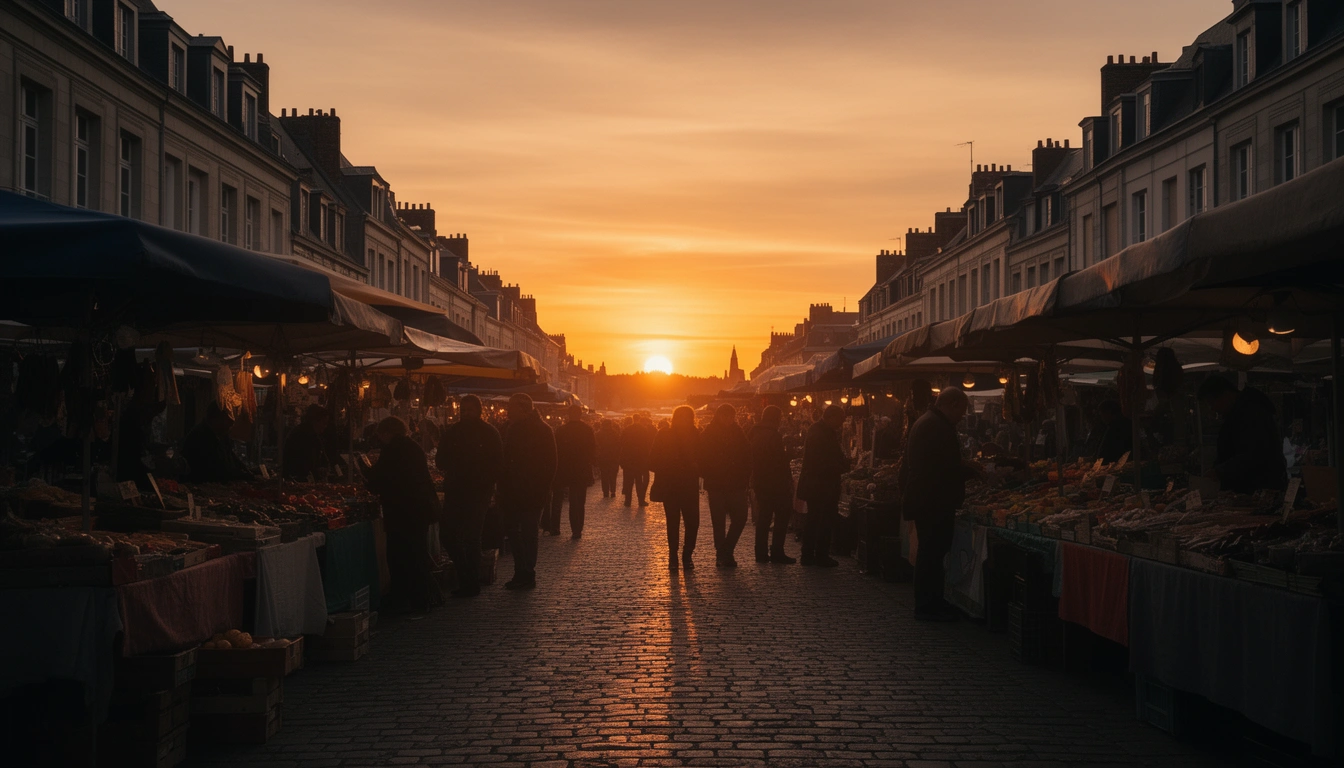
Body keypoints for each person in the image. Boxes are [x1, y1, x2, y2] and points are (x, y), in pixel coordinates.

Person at [903, 389, 979, 621]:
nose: (962, 416)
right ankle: (927, 605)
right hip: (933, 500)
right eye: (962, 410)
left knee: (932, 553)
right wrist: (971, 471)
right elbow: (944, 466)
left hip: (927, 498)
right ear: (953, 404)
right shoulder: (935, 426)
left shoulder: (928, 421)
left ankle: (932, 601)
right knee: (931, 552)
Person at [365, 417, 442, 613]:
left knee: (401, 554)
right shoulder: (413, 447)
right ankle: (423, 597)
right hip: (418, 508)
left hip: (402, 510)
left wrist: (368, 477)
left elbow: (380, 478)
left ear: (387, 433)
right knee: (416, 552)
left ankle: (411, 599)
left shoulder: (392, 450)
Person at [437, 395, 503, 598]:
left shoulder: (490, 433)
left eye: (469, 410)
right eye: (463, 410)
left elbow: (498, 463)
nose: (465, 414)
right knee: (448, 535)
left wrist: (488, 484)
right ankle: (465, 574)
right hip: (456, 491)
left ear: (479, 411)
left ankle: (471, 582)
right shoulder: (453, 432)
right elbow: (441, 460)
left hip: (478, 492)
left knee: (472, 537)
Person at [499, 393, 557, 590]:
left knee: (529, 533)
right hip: (511, 491)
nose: (507, 411)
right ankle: (520, 570)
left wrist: (542, 488)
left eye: (511, 407)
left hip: (532, 492)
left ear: (523, 409)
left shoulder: (542, 430)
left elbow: (551, 463)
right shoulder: (511, 428)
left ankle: (527, 572)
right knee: (514, 531)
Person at [1197, 375, 1288, 493]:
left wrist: (1220, 471)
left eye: (1211, 402)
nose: (1212, 408)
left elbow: (1254, 455)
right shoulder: (1237, 415)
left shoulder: (1253, 414)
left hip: (1258, 491)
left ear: (1226, 395)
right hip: (1247, 491)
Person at [698, 403, 751, 567]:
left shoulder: (738, 432)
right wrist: (710, 471)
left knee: (741, 517)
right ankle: (723, 555)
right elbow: (702, 456)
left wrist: (745, 475)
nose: (729, 419)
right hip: (716, 484)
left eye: (731, 416)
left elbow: (747, 454)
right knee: (718, 522)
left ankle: (726, 549)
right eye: (726, 416)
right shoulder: (709, 432)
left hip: (736, 483)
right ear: (719, 416)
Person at [796, 405, 850, 567]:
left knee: (817, 519)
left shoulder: (822, 431)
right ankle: (817, 555)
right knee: (820, 520)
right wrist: (839, 466)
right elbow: (821, 460)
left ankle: (814, 554)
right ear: (831, 417)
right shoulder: (820, 433)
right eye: (839, 420)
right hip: (821, 485)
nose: (840, 424)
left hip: (821, 484)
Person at [650, 405, 701, 570]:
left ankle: (683, 556)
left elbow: (653, 461)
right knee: (679, 522)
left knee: (687, 522)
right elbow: (653, 460)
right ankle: (677, 556)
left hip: (681, 485)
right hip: (677, 485)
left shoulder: (695, 435)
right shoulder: (668, 434)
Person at [749, 405, 795, 564]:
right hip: (775, 482)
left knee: (764, 518)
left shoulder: (755, 432)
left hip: (760, 481)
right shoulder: (772, 435)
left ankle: (760, 553)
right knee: (782, 515)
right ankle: (777, 551)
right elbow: (778, 461)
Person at [549, 404, 597, 539]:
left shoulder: (561, 430)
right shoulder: (587, 430)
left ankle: (556, 527)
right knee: (579, 501)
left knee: (563, 499)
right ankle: (577, 529)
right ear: (580, 414)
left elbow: (556, 450)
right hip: (581, 469)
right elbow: (593, 449)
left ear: (569, 415)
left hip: (565, 469)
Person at [182, 403, 251, 483]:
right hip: (202, 486)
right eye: (228, 418)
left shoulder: (222, 435)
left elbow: (231, 457)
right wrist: (241, 475)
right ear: (216, 418)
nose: (232, 422)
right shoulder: (200, 436)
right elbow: (216, 470)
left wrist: (246, 470)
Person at [283, 404, 332, 481]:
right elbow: (302, 461)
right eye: (323, 423)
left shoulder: (314, 435)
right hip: (297, 479)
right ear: (315, 421)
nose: (325, 426)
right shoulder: (302, 435)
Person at [619, 414, 655, 507]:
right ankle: (641, 500)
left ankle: (627, 501)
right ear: (639, 419)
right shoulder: (643, 430)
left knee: (628, 481)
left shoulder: (627, 429)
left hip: (628, 459)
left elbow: (621, 444)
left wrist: (622, 459)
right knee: (638, 481)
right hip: (639, 459)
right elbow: (646, 446)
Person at [1093, 400, 1133, 464]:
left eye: (1102, 415)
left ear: (1109, 412)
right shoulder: (1115, 425)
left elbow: (1110, 450)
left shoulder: (1116, 427)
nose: (1102, 418)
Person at [595, 419, 622, 498]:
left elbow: (596, 446)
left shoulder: (598, 434)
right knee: (613, 476)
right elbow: (619, 446)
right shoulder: (615, 434)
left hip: (602, 458)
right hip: (613, 458)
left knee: (604, 476)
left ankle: (605, 492)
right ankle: (613, 491)